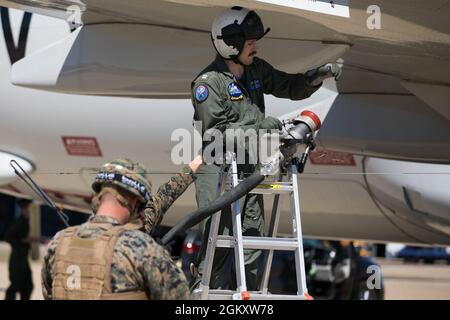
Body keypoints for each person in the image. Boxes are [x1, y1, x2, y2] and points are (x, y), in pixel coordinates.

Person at [190, 6, 342, 291]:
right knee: (217, 250)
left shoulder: (256, 69)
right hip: (221, 175)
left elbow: (288, 85)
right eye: (250, 43)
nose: (256, 47)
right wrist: (268, 126)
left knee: (251, 245)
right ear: (231, 43)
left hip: (251, 171)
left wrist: (315, 77)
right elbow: (217, 134)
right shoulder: (208, 84)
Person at [41, 156, 202, 299]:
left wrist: (193, 166)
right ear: (134, 201)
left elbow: (49, 292)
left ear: (99, 195)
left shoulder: (59, 243)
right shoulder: (142, 249)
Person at [4, 199, 36, 300]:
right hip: (17, 259)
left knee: (28, 286)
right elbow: (8, 237)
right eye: (28, 207)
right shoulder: (19, 222)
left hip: (24, 259)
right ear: (24, 208)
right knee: (15, 285)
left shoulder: (29, 222)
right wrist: (24, 240)